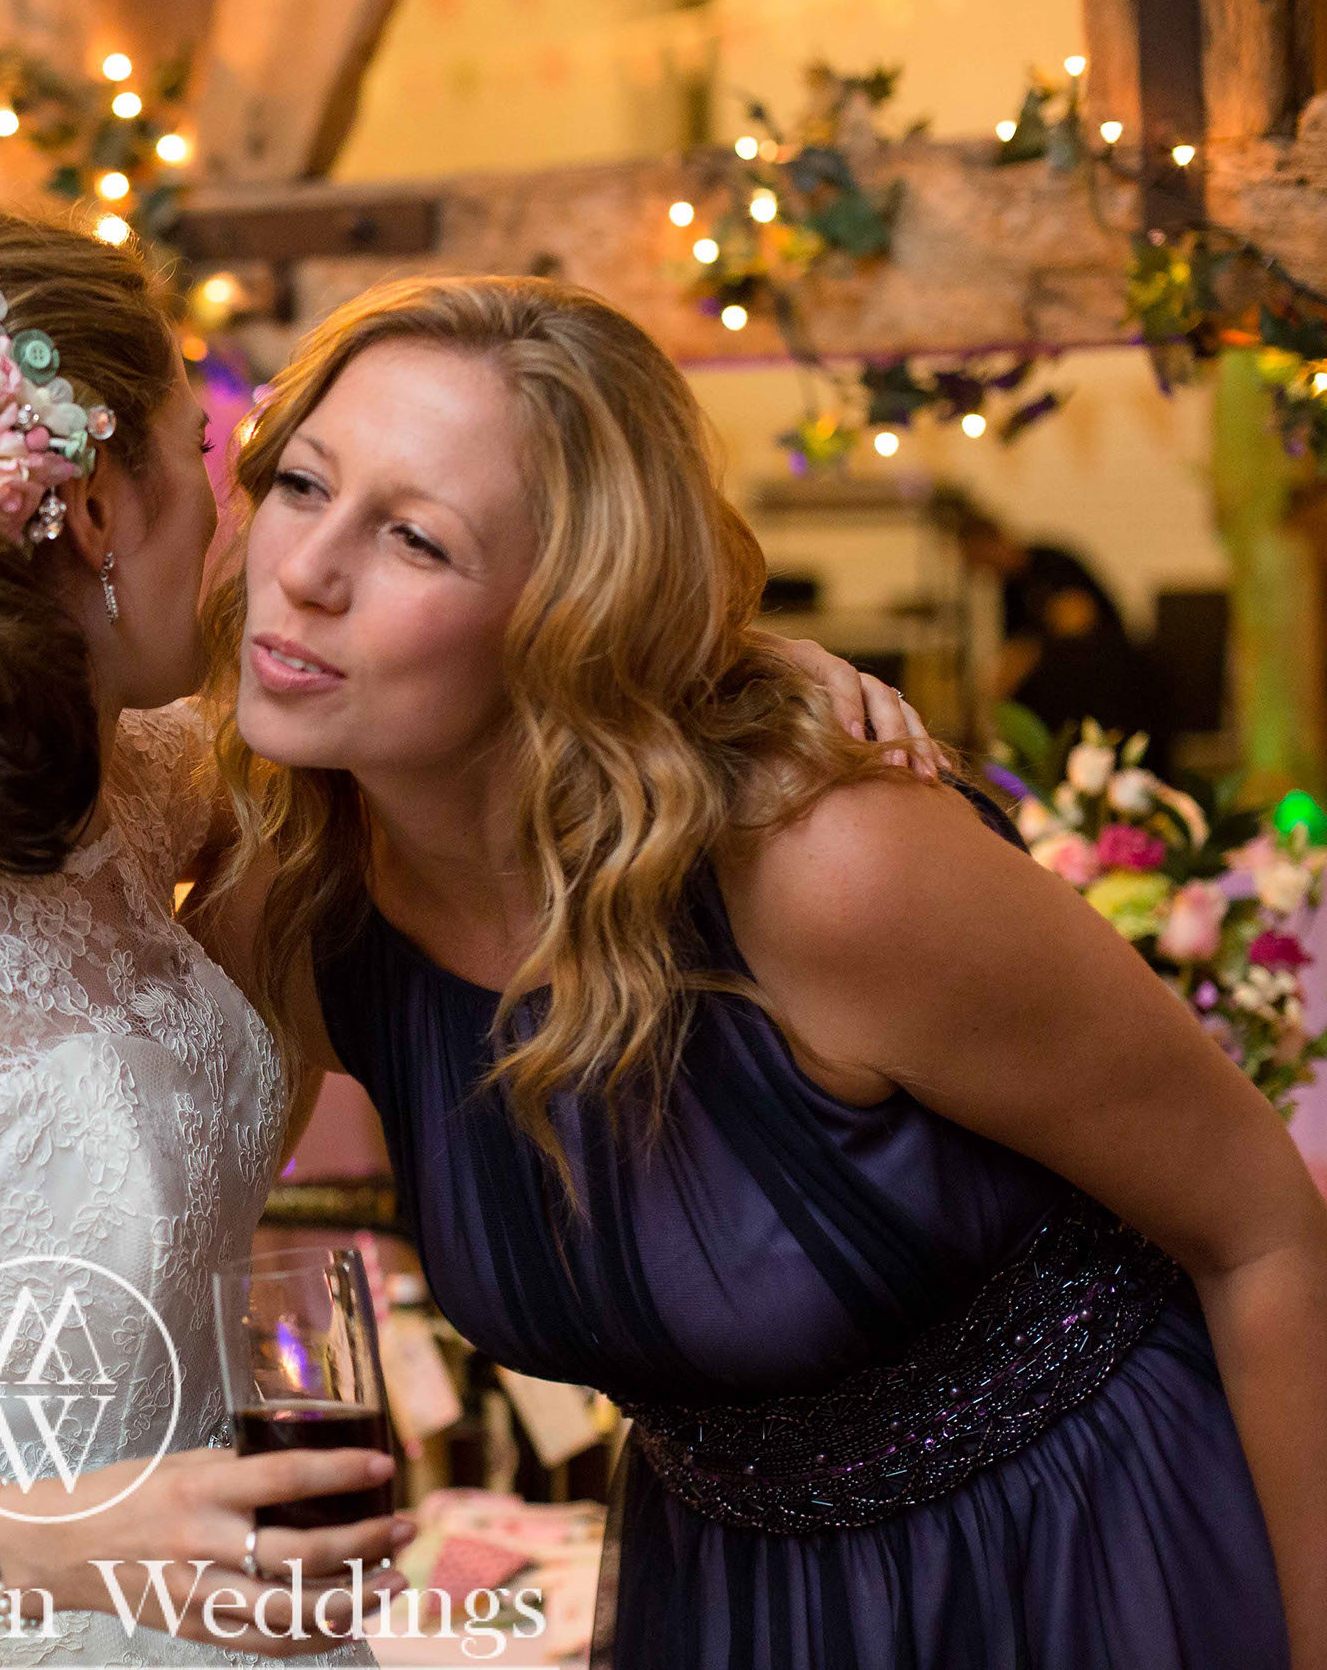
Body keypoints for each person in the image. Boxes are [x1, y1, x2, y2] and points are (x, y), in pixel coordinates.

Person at [0, 205, 916, 1664]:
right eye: (210, 467)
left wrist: (722, 661)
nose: (236, 525)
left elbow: (443, 686)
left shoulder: (124, 794)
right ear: (91, 514)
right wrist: (69, 1540)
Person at [204, 275, 1325, 1668]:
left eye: (417, 539)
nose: (307, 568)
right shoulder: (305, 906)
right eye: (301, 482)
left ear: (569, 610)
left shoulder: (825, 865)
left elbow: (1264, 1227)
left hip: (1081, 1562)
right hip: (730, 1601)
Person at [927, 483, 1162, 752]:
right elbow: (1015, 645)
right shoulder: (1010, 588)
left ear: (989, 543)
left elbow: (1076, 621)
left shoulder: (1050, 562)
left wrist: (1025, 655)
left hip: (1106, 678)